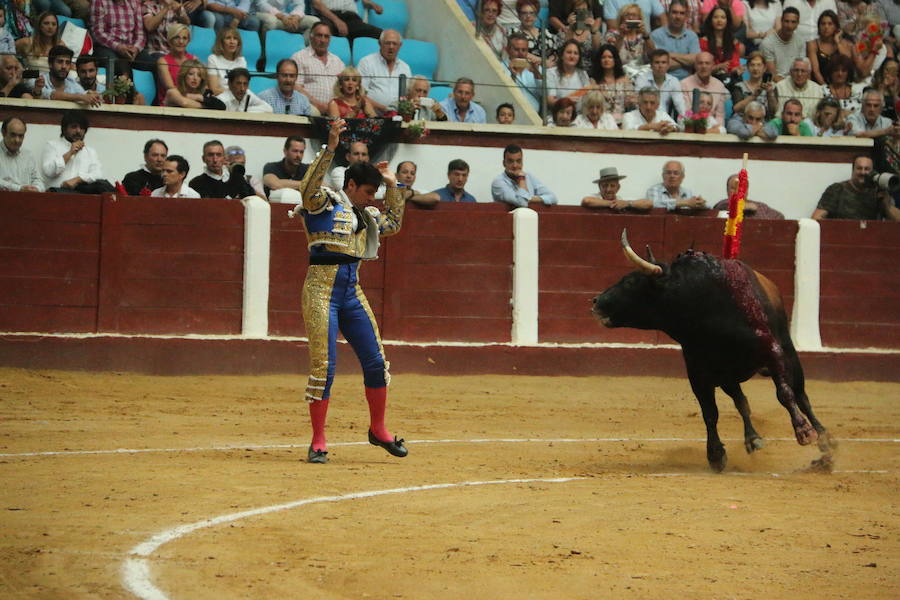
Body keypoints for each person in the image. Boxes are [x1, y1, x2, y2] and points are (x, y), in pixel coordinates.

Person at [295, 117, 407, 464]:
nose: (373, 199)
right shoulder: (322, 204)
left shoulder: (366, 215)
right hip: (320, 291)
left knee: (376, 361)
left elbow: (394, 223)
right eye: (370, 192)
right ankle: (318, 439)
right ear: (353, 185)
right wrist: (329, 148)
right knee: (324, 367)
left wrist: (392, 186)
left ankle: (378, 429)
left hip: (351, 292)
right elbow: (307, 186)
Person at [41, 110, 114, 193]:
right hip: (56, 196)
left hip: (81, 198)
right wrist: (70, 153)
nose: (78, 131)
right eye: (74, 127)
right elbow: (49, 172)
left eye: (82, 128)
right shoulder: (52, 145)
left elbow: (98, 174)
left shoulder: (90, 152)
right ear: (64, 129)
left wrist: (78, 179)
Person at [813, 154, 899, 220]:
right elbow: (816, 218)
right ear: (853, 170)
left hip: (870, 239)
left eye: (867, 169)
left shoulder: (878, 192)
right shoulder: (837, 189)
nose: (863, 172)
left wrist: (886, 205)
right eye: (859, 168)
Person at [90, 0, 156, 78]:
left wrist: (136, 48)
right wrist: (118, 47)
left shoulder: (135, 2)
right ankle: (117, 89)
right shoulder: (99, 2)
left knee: (152, 64)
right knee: (113, 63)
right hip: (108, 47)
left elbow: (140, 33)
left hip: (131, 48)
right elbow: (98, 32)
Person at [292, 21, 346, 114]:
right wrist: (318, 105)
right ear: (311, 37)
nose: (323, 40)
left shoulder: (337, 61)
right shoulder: (299, 57)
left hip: (335, 110)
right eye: (319, 35)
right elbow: (296, 87)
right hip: (309, 107)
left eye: (326, 36)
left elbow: (344, 87)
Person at [357, 29, 411, 114]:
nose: (391, 47)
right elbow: (360, 94)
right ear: (379, 43)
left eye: (394, 44)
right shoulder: (366, 63)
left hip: (398, 117)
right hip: (371, 115)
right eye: (387, 43)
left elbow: (407, 96)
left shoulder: (405, 68)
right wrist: (385, 109)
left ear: (400, 45)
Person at [491, 144, 558, 208]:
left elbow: (553, 198)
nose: (515, 165)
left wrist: (530, 199)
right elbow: (522, 203)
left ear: (522, 162)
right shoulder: (498, 182)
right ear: (504, 163)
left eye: (518, 161)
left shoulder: (529, 176)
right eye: (510, 161)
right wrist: (521, 179)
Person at [36, 45, 103, 107]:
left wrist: (90, 94)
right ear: (50, 64)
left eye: (67, 63)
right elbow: (49, 95)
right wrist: (81, 97)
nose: (64, 66)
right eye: (60, 62)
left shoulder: (71, 82)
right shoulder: (38, 79)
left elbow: (83, 94)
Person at [650, 0, 700, 80]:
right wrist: (686, 62)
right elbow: (659, 65)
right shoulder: (656, 35)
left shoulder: (692, 36)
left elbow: (696, 60)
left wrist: (669, 54)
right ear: (668, 14)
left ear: (686, 16)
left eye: (682, 13)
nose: (678, 17)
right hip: (662, 82)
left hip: (686, 82)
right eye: (674, 12)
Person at [189, 139, 256, 198]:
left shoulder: (237, 178)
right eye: (210, 155)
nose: (215, 160)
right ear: (203, 159)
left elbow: (253, 199)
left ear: (224, 158)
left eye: (219, 155)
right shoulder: (196, 183)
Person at [606, 3, 656, 78]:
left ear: (639, 18)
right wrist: (621, 35)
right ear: (622, 18)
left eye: (634, 15)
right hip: (619, 74)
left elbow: (654, 55)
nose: (631, 18)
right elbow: (611, 55)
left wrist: (645, 35)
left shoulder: (644, 36)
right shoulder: (612, 34)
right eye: (627, 15)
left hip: (642, 75)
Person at [591, 43, 637, 124]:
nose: (606, 60)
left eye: (610, 57)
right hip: (600, 121)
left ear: (615, 60)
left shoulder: (625, 80)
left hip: (622, 121)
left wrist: (630, 101)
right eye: (603, 57)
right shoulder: (593, 81)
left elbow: (632, 103)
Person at [698, 5, 744, 86]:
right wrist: (717, 67)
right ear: (711, 20)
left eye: (723, 17)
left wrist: (736, 70)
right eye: (716, 17)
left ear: (727, 21)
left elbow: (734, 64)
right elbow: (700, 69)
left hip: (730, 79)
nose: (719, 20)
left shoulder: (734, 42)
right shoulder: (702, 42)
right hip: (709, 79)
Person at [634, 48, 686, 117]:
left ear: (668, 65)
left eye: (663, 62)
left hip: (665, 119)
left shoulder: (673, 81)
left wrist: (688, 121)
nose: (660, 66)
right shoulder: (642, 79)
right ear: (651, 65)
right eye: (657, 62)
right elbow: (638, 103)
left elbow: (680, 104)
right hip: (644, 117)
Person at [680, 51, 727, 124]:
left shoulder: (719, 86)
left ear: (713, 65)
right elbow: (686, 112)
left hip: (712, 127)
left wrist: (717, 129)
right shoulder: (684, 84)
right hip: (691, 125)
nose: (704, 66)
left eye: (707, 63)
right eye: (700, 63)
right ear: (695, 66)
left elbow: (720, 115)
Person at [807, 9, 852, 85]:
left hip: (840, 85)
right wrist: (826, 88)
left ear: (836, 26)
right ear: (819, 26)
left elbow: (848, 62)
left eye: (830, 24)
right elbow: (816, 71)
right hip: (818, 85)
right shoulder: (812, 44)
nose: (826, 27)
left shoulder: (842, 43)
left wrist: (837, 42)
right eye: (823, 24)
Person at [711, 173, 785, 218]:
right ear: (727, 190)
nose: (738, 191)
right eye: (733, 188)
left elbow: (779, 217)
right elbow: (729, 206)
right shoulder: (723, 204)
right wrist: (746, 206)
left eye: (742, 188)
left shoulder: (761, 206)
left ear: (747, 190)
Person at [408, 159, 478, 206]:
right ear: (448, 175)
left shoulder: (471, 200)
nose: (460, 179)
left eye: (464, 175)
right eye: (456, 174)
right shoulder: (435, 196)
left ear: (467, 177)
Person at [156, 23, 197, 106]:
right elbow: (170, 87)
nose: (181, 41)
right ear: (170, 40)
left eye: (184, 38)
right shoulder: (163, 61)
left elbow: (202, 85)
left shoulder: (194, 60)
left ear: (188, 41)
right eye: (177, 37)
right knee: (173, 92)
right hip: (172, 103)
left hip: (192, 101)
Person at [761, 7, 806, 80]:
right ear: (781, 21)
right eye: (786, 21)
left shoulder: (800, 41)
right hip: (775, 83)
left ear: (798, 23)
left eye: (793, 22)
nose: (789, 26)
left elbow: (802, 69)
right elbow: (772, 74)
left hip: (795, 81)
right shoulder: (768, 43)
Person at [0, 117, 43, 192]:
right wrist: (19, 189)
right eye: (13, 135)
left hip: (26, 201)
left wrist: (36, 188)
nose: (17, 140)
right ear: (3, 133)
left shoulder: (28, 155)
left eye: (21, 136)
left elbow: (38, 180)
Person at [545, 39, 592, 108]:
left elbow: (589, 98)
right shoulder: (551, 73)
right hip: (558, 115)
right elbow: (550, 100)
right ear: (562, 55)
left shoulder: (583, 74)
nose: (572, 56)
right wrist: (566, 100)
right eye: (569, 52)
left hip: (579, 116)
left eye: (576, 53)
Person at [730, 50, 777, 118]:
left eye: (759, 65)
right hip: (742, 120)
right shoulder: (739, 86)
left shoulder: (772, 86)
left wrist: (769, 94)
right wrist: (754, 96)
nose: (755, 68)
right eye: (752, 65)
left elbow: (774, 111)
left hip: (763, 121)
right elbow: (736, 109)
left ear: (764, 68)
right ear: (748, 67)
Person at [581, 166, 653, 210]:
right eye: (605, 186)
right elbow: (587, 201)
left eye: (612, 186)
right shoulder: (595, 197)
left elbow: (648, 203)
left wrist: (627, 204)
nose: (608, 189)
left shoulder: (621, 199)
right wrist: (612, 204)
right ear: (599, 187)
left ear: (618, 187)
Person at [311, 0, 383, 42]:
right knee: (322, 32)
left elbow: (363, 1)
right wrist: (337, 21)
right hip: (328, 16)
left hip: (351, 17)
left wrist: (372, 4)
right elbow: (317, 4)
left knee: (382, 35)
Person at [505, 31, 541, 110]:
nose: (520, 53)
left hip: (534, 117)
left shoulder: (536, 68)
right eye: (516, 49)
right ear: (507, 50)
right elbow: (503, 95)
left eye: (524, 50)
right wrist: (513, 76)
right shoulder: (500, 68)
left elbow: (545, 95)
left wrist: (536, 74)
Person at [207, 27, 247, 95]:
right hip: (221, 98)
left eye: (235, 38)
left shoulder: (241, 60)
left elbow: (244, 87)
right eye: (228, 38)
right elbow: (214, 89)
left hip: (238, 97)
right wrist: (235, 92)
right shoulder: (213, 59)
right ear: (221, 42)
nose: (232, 42)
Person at [823, 54, 864, 118]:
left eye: (843, 70)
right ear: (830, 72)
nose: (840, 74)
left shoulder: (858, 90)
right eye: (836, 70)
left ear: (848, 73)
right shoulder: (822, 90)